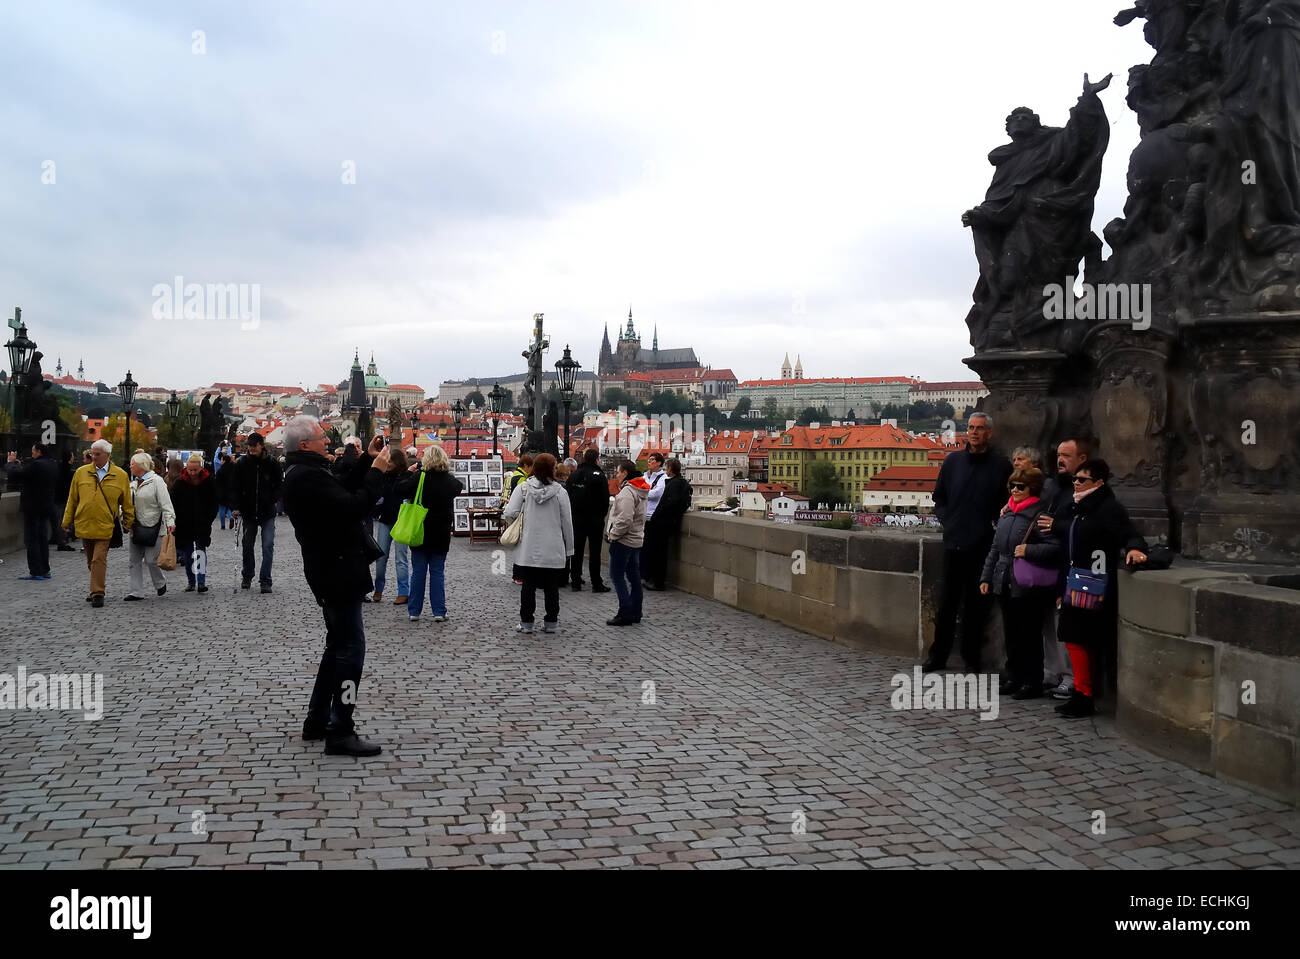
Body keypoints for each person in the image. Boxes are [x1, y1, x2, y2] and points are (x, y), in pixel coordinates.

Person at [281, 415, 390, 757]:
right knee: (351, 652)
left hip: (331, 570)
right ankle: (340, 728)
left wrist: (367, 460)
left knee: (336, 647)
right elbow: (353, 505)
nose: (327, 441)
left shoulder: (306, 472)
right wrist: (377, 474)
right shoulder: (306, 477)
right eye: (320, 438)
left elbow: (341, 487)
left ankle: (317, 721)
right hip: (337, 571)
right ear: (304, 445)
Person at [1055, 458, 1148, 719]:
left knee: (1084, 639)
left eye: (1081, 479)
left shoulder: (1107, 508)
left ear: (1098, 482)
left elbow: (1128, 533)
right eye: (1074, 479)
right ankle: (1081, 692)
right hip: (1075, 581)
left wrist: (1135, 548)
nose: (1075, 483)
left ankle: (1085, 695)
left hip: (1094, 584)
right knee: (1073, 638)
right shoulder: (1077, 507)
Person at [923, 412, 1012, 673]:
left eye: (980, 428)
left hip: (983, 545)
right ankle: (937, 656)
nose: (974, 432)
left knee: (976, 606)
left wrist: (992, 526)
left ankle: (971, 658)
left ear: (989, 433)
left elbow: (1005, 505)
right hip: (954, 542)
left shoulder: (1000, 466)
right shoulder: (953, 462)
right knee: (947, 604)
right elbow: (939, 498)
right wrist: (948, 522)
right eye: (971, 427)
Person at [980, 467, 1062, 699]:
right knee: (1012, 634)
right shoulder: (1007, 514)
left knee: (1030, 635)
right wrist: (986, 577)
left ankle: (1031, 681)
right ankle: (1014, 676)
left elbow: (1055, 548)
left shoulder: (1040, 516)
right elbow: (995, 549)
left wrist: (1029, 550)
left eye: (1020, 486)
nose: (1015, 490)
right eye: (1012, 486)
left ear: (1033, 489)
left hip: (1027, 585)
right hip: (1004, 580)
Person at [1037, 436, 1091, 699]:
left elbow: (1087, 527)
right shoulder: (1053, 485)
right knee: (1048, 621)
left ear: (1082, 459)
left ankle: (1070, 678)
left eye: (1066, 456)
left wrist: (1055, 526)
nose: (1060, 460)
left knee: (1065, 624)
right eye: (1059, 454)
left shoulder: (1084, 489)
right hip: (1046, 560)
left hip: (1069, 566)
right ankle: (1051, 671)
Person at [502, 453, 573, 634]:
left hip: (529, 546)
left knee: (528, 586)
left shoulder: (524, 488)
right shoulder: (560, 492)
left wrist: (518, 524)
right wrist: (569, 548)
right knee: (551, 587)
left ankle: (526, 622)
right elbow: (567, 522)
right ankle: (551, 622)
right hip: (553, 546)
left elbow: (510, 511)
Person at [392, 445, 462, 622]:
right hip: (441, 533)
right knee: (437, 572)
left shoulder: (419, 478)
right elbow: (458, 487)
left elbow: (398, 489)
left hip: (419, 531)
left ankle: (414, 611)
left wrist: (408, 472)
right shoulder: (449, 481)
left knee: (418, 571)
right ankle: (439, 611)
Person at [63, 439, 134, 608]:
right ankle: (96, 585)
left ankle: (97, 592)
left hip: (105, 524)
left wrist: (128, 521)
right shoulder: (80, 473)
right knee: (91, 560)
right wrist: (66, 521)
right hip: (84, 523)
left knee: (98, 559)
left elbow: (127, 502)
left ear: (107, 455)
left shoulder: (120, 475)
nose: (92, 457)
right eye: (91, 454)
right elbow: (72, 499)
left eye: (97, 454)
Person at [123, 452, 176, 601]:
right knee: (134, 560)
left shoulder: (157, 482)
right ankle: (136, 591)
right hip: (136, 526)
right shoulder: (132, 484)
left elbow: (166, 504)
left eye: (132, 464)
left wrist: (170, 522)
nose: (130, 466)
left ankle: (160, 583)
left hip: (155, 526)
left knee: (151, 560)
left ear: (141, 466)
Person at [235, 432, 283, 593]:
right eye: (249, 445)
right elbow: (235, 486)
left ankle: (265, 581)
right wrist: (236, 505)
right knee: (247, 545)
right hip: (248, 512)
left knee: (268, 546)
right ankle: (247, 575)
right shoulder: (242, 463)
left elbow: (279, 484)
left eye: (254, 445)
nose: (251, 448)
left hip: (267, 511)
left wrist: (274, 498)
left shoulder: (272, 463)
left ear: (261, 445)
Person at [605, 459, 651, 626]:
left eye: (618, 472)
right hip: (636, 539)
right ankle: (636, 612)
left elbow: (624, 519)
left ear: (625, 473)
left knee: (617, 576)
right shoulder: (641, 490)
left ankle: (625, 612)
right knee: (634, 577)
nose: (616, 475)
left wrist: (613, 535)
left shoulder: (627, 492)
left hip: (623, 541)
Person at [565, 448, 611, 593]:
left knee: (577, 551)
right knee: (595, 552)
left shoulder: (575, 474)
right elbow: (605, 498)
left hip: (577, 518)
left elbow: (568, 496)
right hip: (595, 519)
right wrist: (601, 515)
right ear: (596, 459)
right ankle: (596, 583)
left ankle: (576, 581)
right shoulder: (599, 475)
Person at [171, 452, 218, 593]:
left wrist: (208, 518)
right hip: (183, 523)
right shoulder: (179, 483)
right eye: (190, 470)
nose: (192, 473)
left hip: (202, 523)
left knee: (200, 552)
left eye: (195, 470)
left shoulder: (208, 481)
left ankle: (201, 581)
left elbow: (214, 502)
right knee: (187, 554)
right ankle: (191, 581)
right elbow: (173, 503)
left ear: (200, 468)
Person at [10, 444, 59, 580]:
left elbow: (17, 474)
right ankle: (45, 569)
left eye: (33, 452)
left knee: (31, 539)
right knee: (42, 538)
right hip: (46, 506)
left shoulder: (36, 465)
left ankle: (36, 571)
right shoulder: (52, 464)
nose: (32, 454)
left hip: (32, 507)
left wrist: (10, 463)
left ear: (39, 452)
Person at [644, 457, 693, 590]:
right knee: (659, 553)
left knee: (659, 554)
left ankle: (657, 582)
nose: (666, 470)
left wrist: (656, 516)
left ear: (670, 469)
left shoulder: (673, 484)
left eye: (667, 467)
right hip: (668, 522)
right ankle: (656, 580)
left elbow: (668, 503)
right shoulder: (681, 483)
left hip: (662, 523)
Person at [370, 446, 410, 605]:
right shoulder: (383, 476)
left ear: (398, 462)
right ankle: (378, 588)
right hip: (385, 520)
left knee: (401, 558)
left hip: (401, 520)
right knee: (381, 557)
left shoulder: (407, 476)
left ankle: (403, 591)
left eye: (390, 461)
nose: (388, 464)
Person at [506, 454, 534, 584]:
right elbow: (524, 496)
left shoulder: (514, 475)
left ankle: (516, 575)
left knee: (519, 548)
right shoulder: (522, 479)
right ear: (526, 466)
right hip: (521, 515)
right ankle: (519, 575)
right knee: (522, 548)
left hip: (514, 512)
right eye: (530, 466)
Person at [215, 450, 238, 531]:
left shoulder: (220, 471)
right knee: (229, 507)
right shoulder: (234, 469)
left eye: (221, 460)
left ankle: (223, 525)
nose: (221, 461)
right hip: (231, 491)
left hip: (222, 492)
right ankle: (231, 517)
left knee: (222, 508)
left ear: (224, 461)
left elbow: (217, 482)